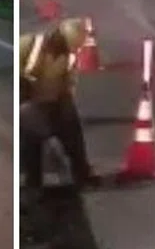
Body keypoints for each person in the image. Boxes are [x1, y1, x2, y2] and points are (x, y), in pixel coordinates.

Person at [19, 17, 99, 190]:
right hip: (28, 102)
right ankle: (33, 182)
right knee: (31, 140)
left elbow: (69, 83)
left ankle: (82, 175)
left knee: (73, 135)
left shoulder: (70, 56)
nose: (65, 50)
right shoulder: (29, 44)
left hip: (54, 101)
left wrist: (66, 105)